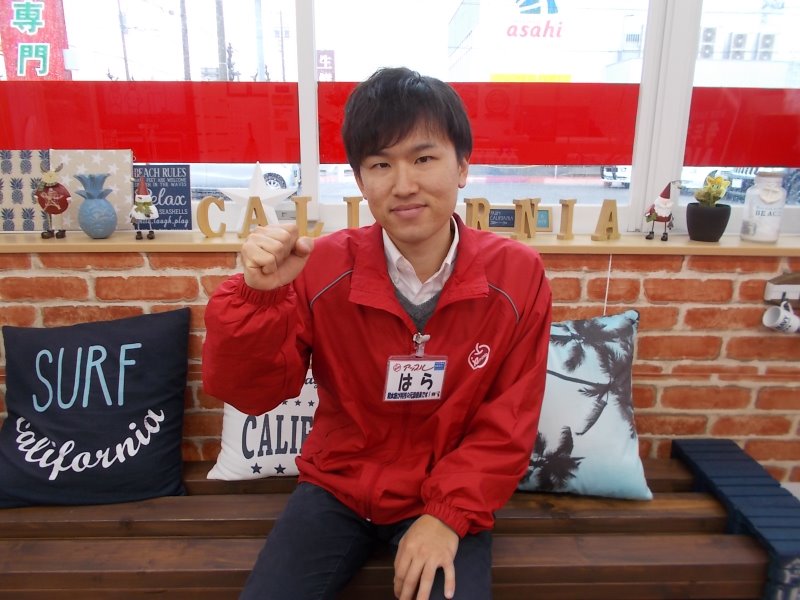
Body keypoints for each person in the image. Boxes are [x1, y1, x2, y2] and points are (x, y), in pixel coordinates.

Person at [202, 66, 552, 600]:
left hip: (447, 494)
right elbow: (253, 393)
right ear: (361, 180)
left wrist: (447, 515)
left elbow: (510, 420)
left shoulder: (516, 276)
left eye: (424, 158)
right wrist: (259, 298)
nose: (404, 184)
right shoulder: (320, 267)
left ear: (462, 166)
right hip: (337, 487)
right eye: (381, 164)